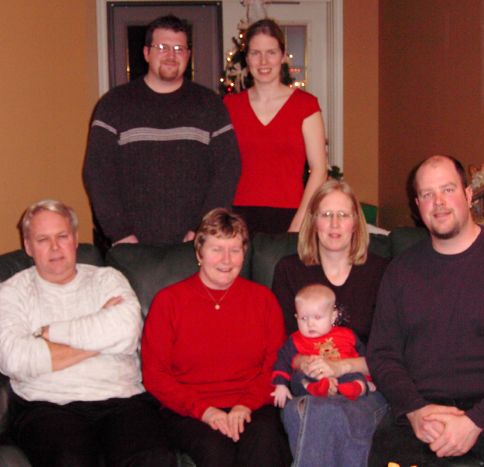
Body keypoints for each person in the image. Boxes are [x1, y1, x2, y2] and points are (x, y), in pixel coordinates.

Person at [367, 155, 484, 466]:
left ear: (469, 195)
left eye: (448, 189)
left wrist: (476, 420)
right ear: (417, 205)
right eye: (427, 194)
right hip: (423, 413)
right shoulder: (400, 272)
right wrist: (415, 411)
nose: (438, 202)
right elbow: (382, 354)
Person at [0, 199, 176, 467]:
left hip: (123, 399)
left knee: (154, 459)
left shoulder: (107, 279)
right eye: (43, 239)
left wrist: (49, 333)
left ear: (75, 239)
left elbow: (127, 331)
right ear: (28, 246)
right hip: (48, 404)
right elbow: (15, 359)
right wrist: (103, 337)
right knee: (70, 461)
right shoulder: (12, 292)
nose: (55, 247)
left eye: (62, 236)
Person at [141, 208, 292, 467]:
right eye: (216, 249)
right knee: (216, 450)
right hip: (190, 410)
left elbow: (276, 365)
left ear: (244, 253)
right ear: (199, 252)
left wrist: (245, 406)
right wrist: (204, 411)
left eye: (235, 250)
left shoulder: (263, 300)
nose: (226, 259)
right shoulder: (168, 302)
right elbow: (155, 375)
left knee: (264, 444)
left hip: (253, 404)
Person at [84, 15, 240, 249]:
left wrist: (202, 228)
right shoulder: (113, 105)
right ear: (146, 53)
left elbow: (228, 169)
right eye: (162, 47)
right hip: (131, 245)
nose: (171, 55)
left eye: (179, 49)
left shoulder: (210, 105)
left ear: (188, 55)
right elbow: (98, 173)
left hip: (195, 244)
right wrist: (120, 233)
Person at [271, 179, 389, 466]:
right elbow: (281, 347)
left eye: (343, 215)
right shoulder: (289, 270)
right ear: (313, 221)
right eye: (326, 215)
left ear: (355, 222)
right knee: (316, 411)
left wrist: (340, 367)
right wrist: (308, 363)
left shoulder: (380, 272)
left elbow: (390, 354)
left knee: (312, 414)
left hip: (364, 388)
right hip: (308, 385)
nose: (335, 224)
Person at [224, 18, 327, 234]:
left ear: (282, 56)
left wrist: (299, 222)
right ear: (247, 58)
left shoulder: (306, 105)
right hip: (238, 218)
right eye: (255, 53)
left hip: (291, 216)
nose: (263, 61)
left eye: (271, 52)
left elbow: (319, 169)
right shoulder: (229, 106)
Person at [272, 284, 373, 406]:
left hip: (345, 374)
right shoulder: (295, 340)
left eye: (317, 317)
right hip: (313, 377)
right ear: (296, 317)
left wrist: (368, 379)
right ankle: (318, 388)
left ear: (333, 317)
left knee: (357, 376)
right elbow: (282, 361)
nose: (310, 324)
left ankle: (356, 388)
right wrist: (280, 385)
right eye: (303, 318)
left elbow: (365, 357)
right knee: (297, 379)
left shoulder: (348, 335)